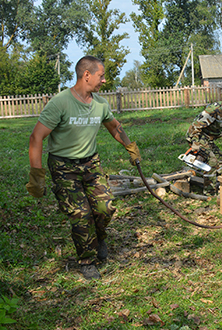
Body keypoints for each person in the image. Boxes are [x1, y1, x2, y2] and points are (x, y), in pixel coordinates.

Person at [26, 55, 141, 280]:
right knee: (81, 214)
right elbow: (36, 137)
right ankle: (87, 259)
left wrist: (131, 148)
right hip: (63, 167)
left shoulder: (100, 103)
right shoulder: (60, 102)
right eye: (101, 75)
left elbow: (114, 127)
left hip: (91, 163)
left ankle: (98, 237)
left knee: (105, 208)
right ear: (86, 75)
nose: (104, 81)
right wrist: (37, 174)